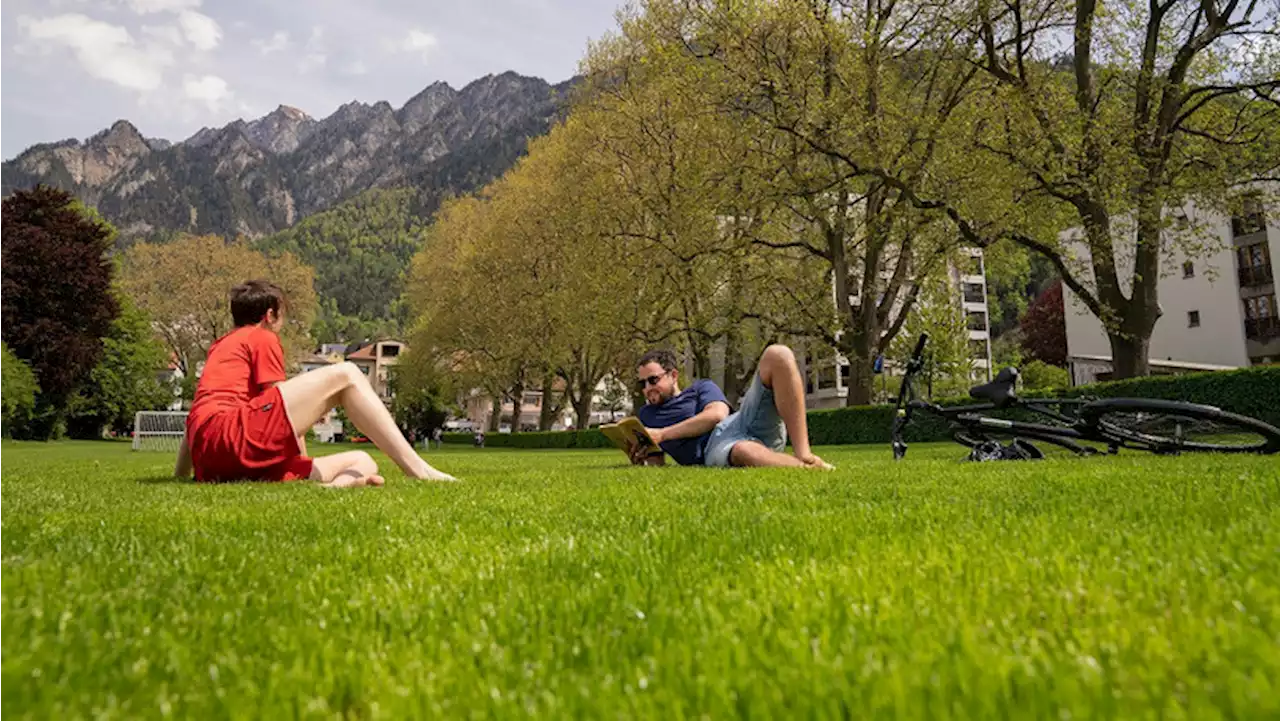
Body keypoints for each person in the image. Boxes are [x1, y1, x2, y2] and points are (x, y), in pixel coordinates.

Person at [174, 280, 458, 487]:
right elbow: (278, 404)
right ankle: (418, 469)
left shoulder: (220, 348)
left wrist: (183, 475)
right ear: (270, 315)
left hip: (216, 462)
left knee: (364, 460)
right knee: (346, 374)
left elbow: (196, 417)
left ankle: (332, 489)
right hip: (234, 441)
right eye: (283, 316)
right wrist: (300, 456)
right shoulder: (260, 336)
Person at [631, 345, 833, 470]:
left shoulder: (702, 387)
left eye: (653, 380)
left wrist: (663, 434)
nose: (648, 388)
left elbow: (717, 415)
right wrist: (641, 458)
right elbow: (656, 463)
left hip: (738, 422)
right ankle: (810, 469)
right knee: (742, 450)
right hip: (713, 449)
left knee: (777, 354)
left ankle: (804, 454)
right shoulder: (647, 415)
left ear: (673, 375)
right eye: (642, 384)